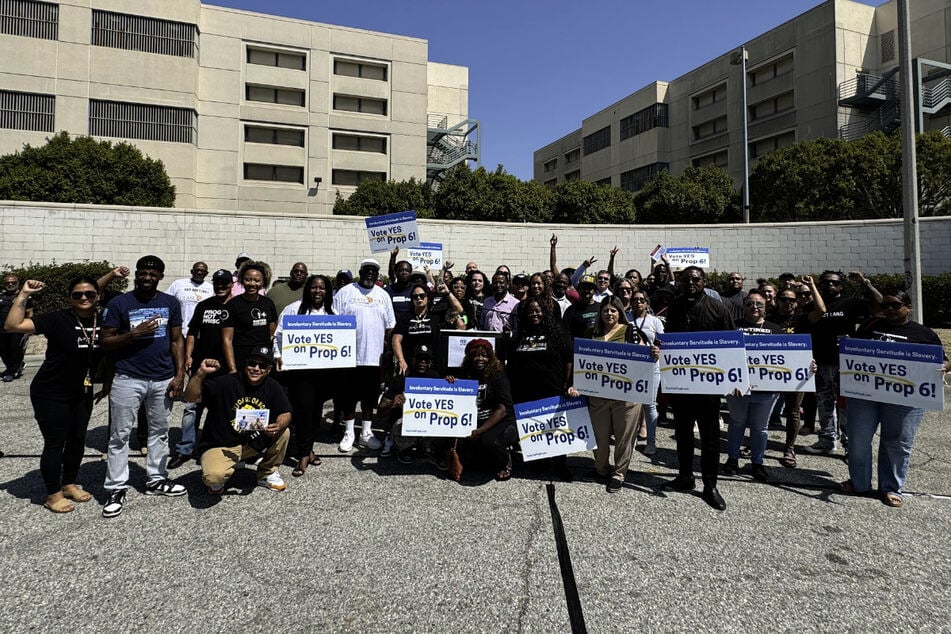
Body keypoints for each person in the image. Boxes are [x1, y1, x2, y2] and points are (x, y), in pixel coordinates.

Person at [4, 277, 105, 513]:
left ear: (97, 296)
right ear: (69, 298)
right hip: (51, 391)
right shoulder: (57, 319)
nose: (83, 298)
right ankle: (53, 493)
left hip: (83, 390)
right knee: (55, 443)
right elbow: (13, 325)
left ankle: (69, 483)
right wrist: (24, 294)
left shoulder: (104, 319)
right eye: (77, 295)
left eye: (89, 294)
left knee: (77, 439)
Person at [842, 291, 950, 507]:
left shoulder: (923, 333)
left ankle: (891, 488)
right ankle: (859, 483)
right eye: (885, 305)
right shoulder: (869, 326)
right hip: (865, 395)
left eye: (895, 305)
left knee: (898, 442)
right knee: (858, 440)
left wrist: (943, 369)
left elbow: (945, 361)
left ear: (908, 307)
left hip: (904, 399)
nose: (889, 309)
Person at [100, 255, 187, 518]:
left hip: (162, 377)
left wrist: (180, 372)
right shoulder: (120, 303)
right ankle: (115, 487)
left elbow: (176, 340)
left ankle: (156, 480)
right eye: (143, 273)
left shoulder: (170, 302)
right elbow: (105, 341)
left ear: (161, 276)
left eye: (153, 274)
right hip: (128, 377)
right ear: (136, 274)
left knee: (159, 432)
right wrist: (132, 335)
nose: (147, 277)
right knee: (120, 435)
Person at [662, 265, 735, 511]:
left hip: (708, 389)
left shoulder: (717, 308)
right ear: (680, 282)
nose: (691, 282)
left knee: (710, 438)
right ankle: (685, 477)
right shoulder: (675, 307)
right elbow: (669, 340)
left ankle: (710, 485)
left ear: (703, 282)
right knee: (682, 433)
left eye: (695, 279)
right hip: (682, 386)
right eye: (686, 279)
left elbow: (730, 345)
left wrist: (731, 380)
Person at [184, 347, 291, 493]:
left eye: (262, 366)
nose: (256, 368)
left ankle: (267, 473)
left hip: (252, 443)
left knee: (284, 431)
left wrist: (278, 425)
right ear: (245, 364)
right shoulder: (226, 383)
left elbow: (286, 412)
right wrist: (200, 374)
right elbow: (190, 397)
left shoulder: (272, 386)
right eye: (252, 363)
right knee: (214, 478)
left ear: (268, 369)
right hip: (221, 445)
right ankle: (222, 469)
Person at [804, 269, 880, 455]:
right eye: (826, 282)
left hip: (844, 364)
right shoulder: (813, 305)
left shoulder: (851, 303)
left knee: (846, 407)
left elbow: (879, 304)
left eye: (834, 282)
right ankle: (827, 441)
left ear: (841, 286)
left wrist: (865, 282)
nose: (829, 285)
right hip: (820, 363)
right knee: (824, 404)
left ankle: (849, 445)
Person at [586, 297, 654, 493]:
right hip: (599, 395)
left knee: (624, 437)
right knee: (599, 436)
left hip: (625, 395)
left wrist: (653, 354)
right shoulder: (593, 333)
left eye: (613, 311)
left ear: (620, 313)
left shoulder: (630, 331)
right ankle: (600, 468)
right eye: (605, 310)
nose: (609, 314)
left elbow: (644, 355)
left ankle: (619, 473)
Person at [168, 269, 234, 469]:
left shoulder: (238, 306)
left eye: (224, 283)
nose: (220, 286)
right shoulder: (204, 306)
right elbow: (191, 333)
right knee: (192, 407)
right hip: (201, 366)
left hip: (225, 368)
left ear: (232, 284)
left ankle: (209, 448)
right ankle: (185, 449)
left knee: (220, 409)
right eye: (217, 283)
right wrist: (188, 356)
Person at [272, 274, 335, 475]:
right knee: (303, 411)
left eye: (322, 288)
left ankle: (309, 449)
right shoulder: (293, 309)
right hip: (300, 372)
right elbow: (278, 336)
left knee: (316, 412)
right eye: (314, 287)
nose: (318, 291)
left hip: (324, 373)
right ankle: (302, 455)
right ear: (308, 289)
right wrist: (277, 355)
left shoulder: (333, 313)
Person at [507, 297, 576, 480]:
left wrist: (567, 383)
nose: (534, 314)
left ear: (544, 313)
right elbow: (513, 362)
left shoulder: (558, 333)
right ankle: (539, 461)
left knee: (557, 430)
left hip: (552, 389)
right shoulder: (520, 334)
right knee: (535, 430)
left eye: (537, 311)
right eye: (530, 311)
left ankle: (560, 465)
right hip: (526, 391)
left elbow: (569, 359)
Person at [332, 258, 395, 452]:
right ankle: (349, 432)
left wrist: (386, 348)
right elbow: (333, 320)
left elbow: (390, 325)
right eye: (367, 270)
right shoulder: (346, 292)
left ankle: (366, 433)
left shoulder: (383, 295)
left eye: (374, 271)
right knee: (348, 397)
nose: (370, 273)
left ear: (377, 275)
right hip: (349, 356)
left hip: (374, 357)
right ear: (360, 272)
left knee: (369, 398)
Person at [722, 290, 782, 482]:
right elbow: (725, 356)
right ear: (743, 306)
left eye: (759, 304)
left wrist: (808, 366)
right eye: (749, 304)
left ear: (766, 307)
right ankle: (733, 459)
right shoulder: (733, 327)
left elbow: (786, 359)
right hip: (738, 388)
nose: (754, 307)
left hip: (766, 390)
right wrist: (731, 383)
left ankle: (758, 463)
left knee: (760, 428)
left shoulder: (776, 329)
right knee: (736, 423)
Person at [447, 339, 518, 481]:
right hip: (475, 421)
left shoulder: (498, 376)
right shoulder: (465, 374)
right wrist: (450, 382)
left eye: (484, 355)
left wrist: (480, 431)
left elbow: (502, 409)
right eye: (475, 355)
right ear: (469, 357)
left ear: (490, 357)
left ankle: (505, 462)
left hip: (500, 421)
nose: (480, 359)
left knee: (489, 442)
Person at [379, 344, 441, 464]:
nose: (422, 363)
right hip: (405, 420)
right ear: (412, 360)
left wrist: (451, 383)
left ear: (430, 362)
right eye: (419, 359)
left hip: (427, 418)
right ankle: (403, 447)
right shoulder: (401, 378)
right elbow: (380, 411)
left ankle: (427, 446)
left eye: (426, 360)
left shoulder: (435, 377)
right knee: (400, 425)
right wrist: (392, 403)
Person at [222, 261, 278, 374]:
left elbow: (273, 334)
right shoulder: (232, 305)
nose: (252, 284)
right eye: (248, 279)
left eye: (257, 280)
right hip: (241, 357)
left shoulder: (268, 303)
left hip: (263, 357)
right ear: (242, 280)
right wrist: (232, 368)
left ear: (263, 282)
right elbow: (227, 339)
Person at [628, 289, 664, 455]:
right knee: (630, 405)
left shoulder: (655, 321)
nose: (638, 302)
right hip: (629, 368)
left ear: (647, 303)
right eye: (635, 299)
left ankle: (651, 441)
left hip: (651, 367)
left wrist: (658, 352)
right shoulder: (625, 319)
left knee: (649, 405)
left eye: (642, 299)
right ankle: (630, 438)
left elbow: (663, 344)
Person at [165, 262, 214, 337]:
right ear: (192, 271)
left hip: (201, 333)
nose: (199, 272)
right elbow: (167, 302)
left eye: (202, 271)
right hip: (179, 331)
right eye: (197, 270)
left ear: (206, 273)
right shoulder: (178, 284)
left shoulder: (211, 288)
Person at [0, 274, 32, 382]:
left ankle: (13, 371)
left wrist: (28, 329)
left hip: (17, 329)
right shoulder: (1, 296)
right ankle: (11, 368)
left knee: (15, 350)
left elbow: (29, 312)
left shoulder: (23, 296)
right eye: (8, 283)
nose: (10, 284)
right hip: (2, 329)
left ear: (18, 283)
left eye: (13, 282)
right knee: (3, 351)